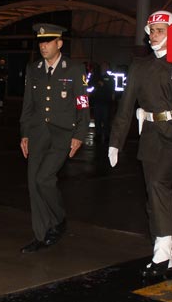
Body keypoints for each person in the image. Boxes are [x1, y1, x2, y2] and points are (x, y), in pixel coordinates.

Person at [107, 11, 172, 277]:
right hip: (150, 134)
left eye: (160, 30)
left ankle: (163, 251)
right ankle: (162, 244)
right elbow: (125, 107)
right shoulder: (139, 66)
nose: (153, 35)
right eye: (152, 31)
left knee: (159, 184)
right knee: (152, 191)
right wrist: (115, 142)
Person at [19, 23, 89, 253]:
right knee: (32, 184)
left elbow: (82, 104)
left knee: (44, 179)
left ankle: (58, 219)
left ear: (59, 43)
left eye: (48, 41)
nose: (43, 46)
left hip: (62, 135)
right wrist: (25, 134)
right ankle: (41, 234)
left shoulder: (74, 68)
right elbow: (27, 105)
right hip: (37, 133)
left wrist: (79, 134)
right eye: (40, 42)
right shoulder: (34, 68)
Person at [89, 62, 114, 145]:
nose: (104, 68)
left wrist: (104, 84)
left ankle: (107, 136)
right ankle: (98, 135)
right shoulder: (96, 77)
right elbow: (90, 84)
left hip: (105, 102)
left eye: (105, 66)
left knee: (106, 120)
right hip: (97, 101)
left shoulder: (110, 78)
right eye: (103, 66)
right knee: (97, 119)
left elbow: (112, 88)